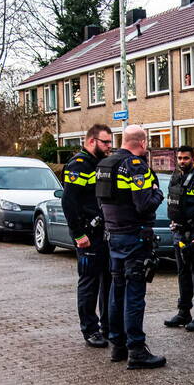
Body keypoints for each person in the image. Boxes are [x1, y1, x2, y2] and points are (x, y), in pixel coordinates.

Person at [96, 125, 166, 369]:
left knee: (117, 290)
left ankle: (118, 345)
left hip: (113, 235)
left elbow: (101, 201)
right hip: (134, 237)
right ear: (143, 143)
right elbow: (144, 204)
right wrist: (158, 193)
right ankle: (136, 349)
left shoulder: (105, 165)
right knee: (134, 294)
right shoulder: (135, 166)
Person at [61, 124, 114, 348]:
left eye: (111, 142)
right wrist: (78, 234)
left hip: (103, 234)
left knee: (108, 281)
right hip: (88, 235)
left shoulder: (99, 164)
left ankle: (107, 326)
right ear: (92, 141)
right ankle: (90, 329)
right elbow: (69, 202)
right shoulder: (79, 165)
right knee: (89, 283)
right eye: (106, 142)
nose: (110, 146)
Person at [163, 145, 194, 332]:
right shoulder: (176, 177)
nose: (182, 161)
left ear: (193, 159)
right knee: (183, 274)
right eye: (179, 158)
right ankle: (184, 312)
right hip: (179, 234)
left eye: (186, 158)